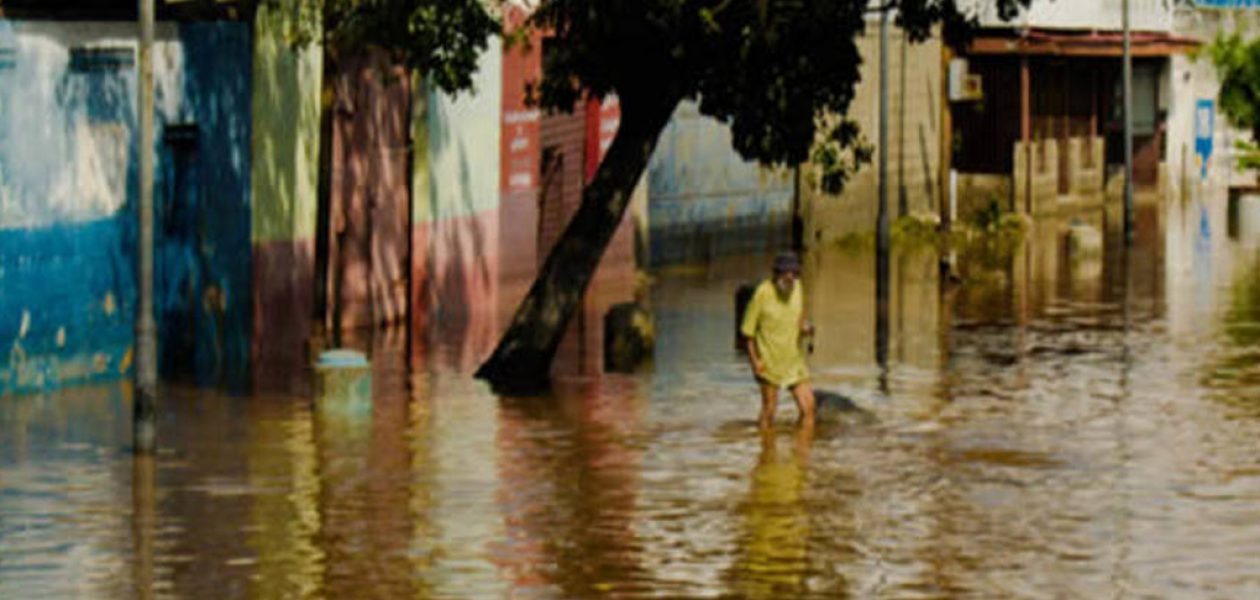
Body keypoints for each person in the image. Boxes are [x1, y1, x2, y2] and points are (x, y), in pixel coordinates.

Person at [740, 252, 816, 429]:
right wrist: (755, 362)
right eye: (785, 273)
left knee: (809, 407)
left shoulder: (798, 287)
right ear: (776, 274)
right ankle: (765, 450)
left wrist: (805, 328)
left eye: (794, 273)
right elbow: (748, 332)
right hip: (769, 362)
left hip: (794, 360)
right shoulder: (762, 293)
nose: (790, 278)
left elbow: (799, 316)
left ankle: (802, 451)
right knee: (769, 411)